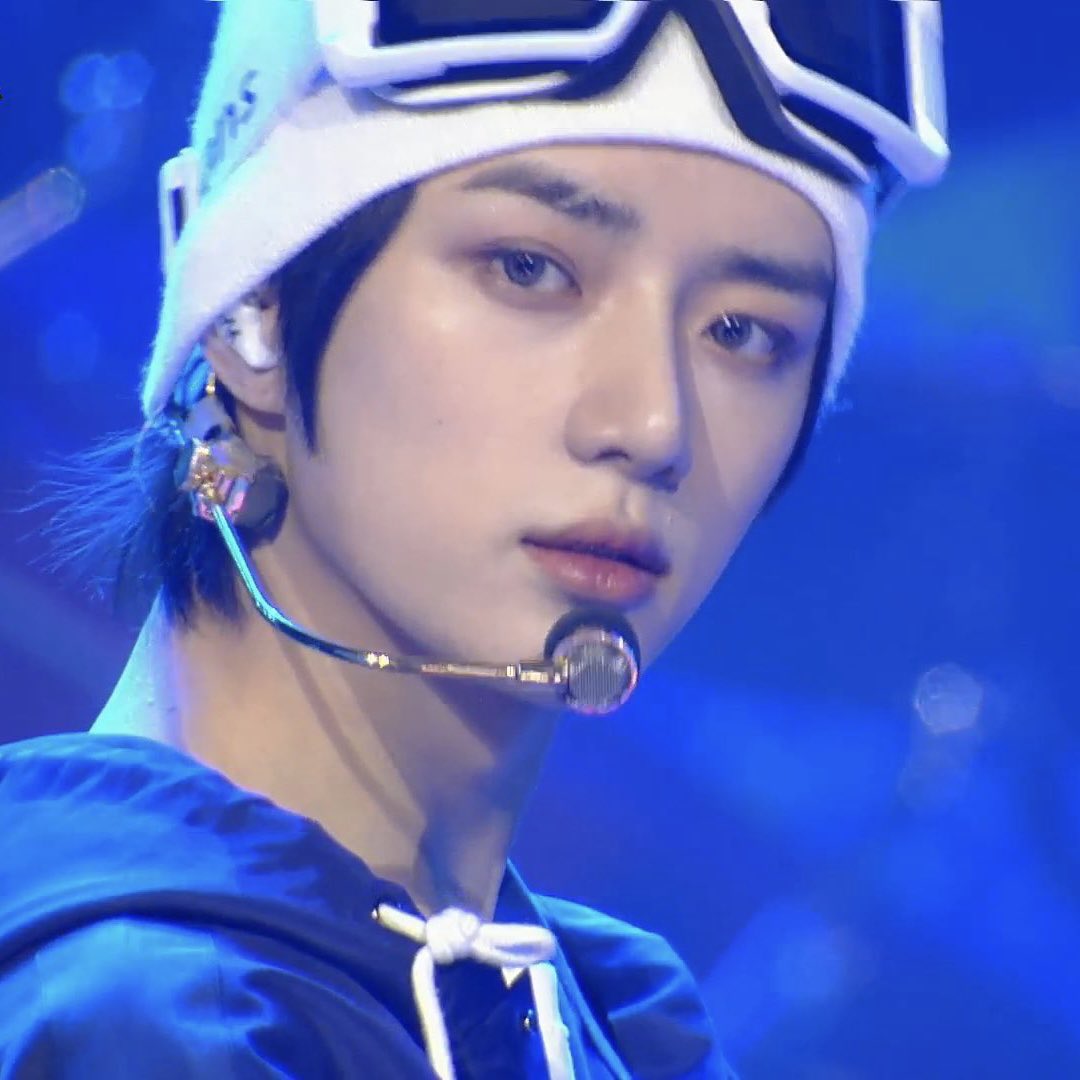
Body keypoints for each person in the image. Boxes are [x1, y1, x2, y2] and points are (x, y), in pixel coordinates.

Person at [0, 1, 949, 1076]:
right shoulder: (143, 1022)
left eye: (744, 332)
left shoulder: (620, 1023)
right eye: (531, 270)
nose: (653, 425)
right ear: (250, 309)